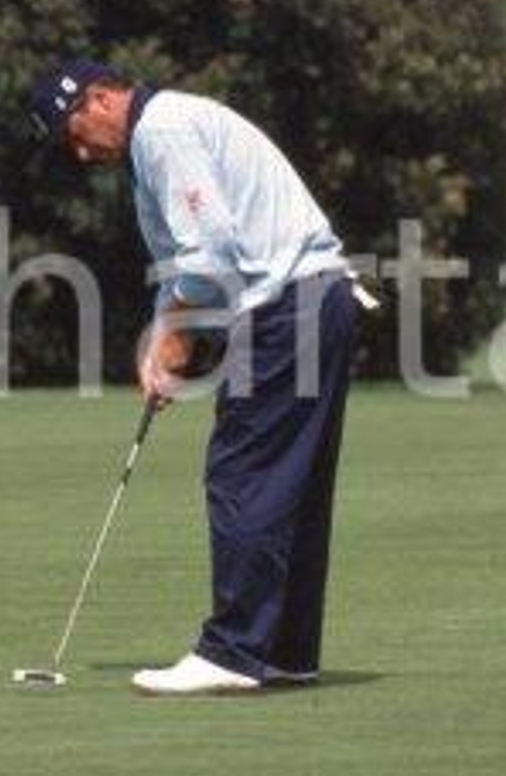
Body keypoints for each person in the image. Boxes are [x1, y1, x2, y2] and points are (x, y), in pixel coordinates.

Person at [30, 59, 369, 695]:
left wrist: (182, 342)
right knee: (292, 483)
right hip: (313, 301)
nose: (78, 153)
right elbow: (184, 264)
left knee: (243, 473)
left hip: (289, 308)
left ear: (101, 98)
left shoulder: (162, 130)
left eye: (74, 131)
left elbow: (211, 250)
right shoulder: (150, 149)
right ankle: (284, 652)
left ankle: (235, 652)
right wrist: (161, 348)